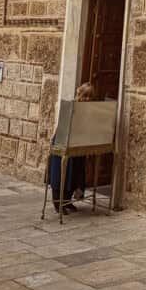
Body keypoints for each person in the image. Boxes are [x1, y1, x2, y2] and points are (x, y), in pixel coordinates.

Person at [48, 81, 96, 213]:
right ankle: (58, 204)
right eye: (85, 96)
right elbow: (63, 127)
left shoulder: (88, 110)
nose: (87, 99)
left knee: (75, 174)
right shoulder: (70, 106)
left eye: (90, 97)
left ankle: (67, 201)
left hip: (78, 144)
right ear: (79, 94)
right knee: (62, 174)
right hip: (63, 142)